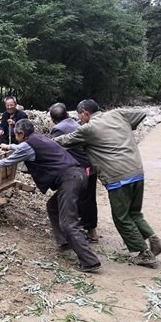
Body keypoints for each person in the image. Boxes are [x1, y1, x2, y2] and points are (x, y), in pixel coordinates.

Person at [54, 99, 161, 267]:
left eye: (80, 116)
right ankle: (154, 240)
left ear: (85, 113)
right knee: (134, 213)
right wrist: (122, 131)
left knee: (121, 218)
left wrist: (41, 141)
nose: (79, 120)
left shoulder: (89, 128)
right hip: (137, 171)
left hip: (118, 177)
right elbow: (140, 114)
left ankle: (144, 253)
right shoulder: (117, 114)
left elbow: (65, 140)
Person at [0, 119, 102, 272]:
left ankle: (90, 261)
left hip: (69, 180)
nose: (16, 138)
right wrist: (9, 146)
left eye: (16, 135)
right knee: (52, 206)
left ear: (22, 134)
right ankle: (64, 241)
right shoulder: (39, 138)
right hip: (78, 174)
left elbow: (9, 161)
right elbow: (23, 148)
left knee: (68, 223)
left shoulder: (27, 145)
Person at [49, 103, 99, 242]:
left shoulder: (58, 129)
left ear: (52, 119)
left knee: (74, 199)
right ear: (66, 114)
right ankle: (90, 230)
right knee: (88, 198)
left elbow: (54, 150)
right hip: (91, 166)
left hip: (81, 169)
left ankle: (74, 234)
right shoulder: (75, 123)